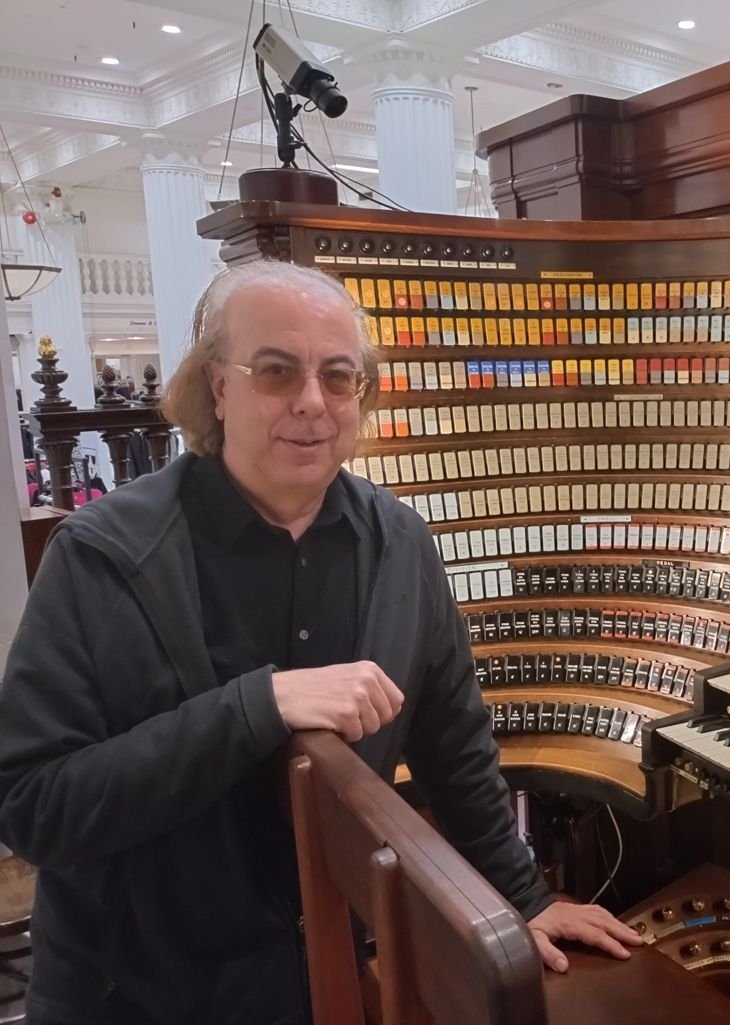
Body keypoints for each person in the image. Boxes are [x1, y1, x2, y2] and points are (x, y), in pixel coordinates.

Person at [0, 262, 641, 1025]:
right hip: (138, 994)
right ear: (218, 386)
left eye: (339, 377)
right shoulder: (103, 553)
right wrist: (253, 707)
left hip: (325, 984)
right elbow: (32, 805)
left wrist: (526, 897)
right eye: (276, 371)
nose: (312, 401)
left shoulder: (401, 545)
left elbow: (455, 750)